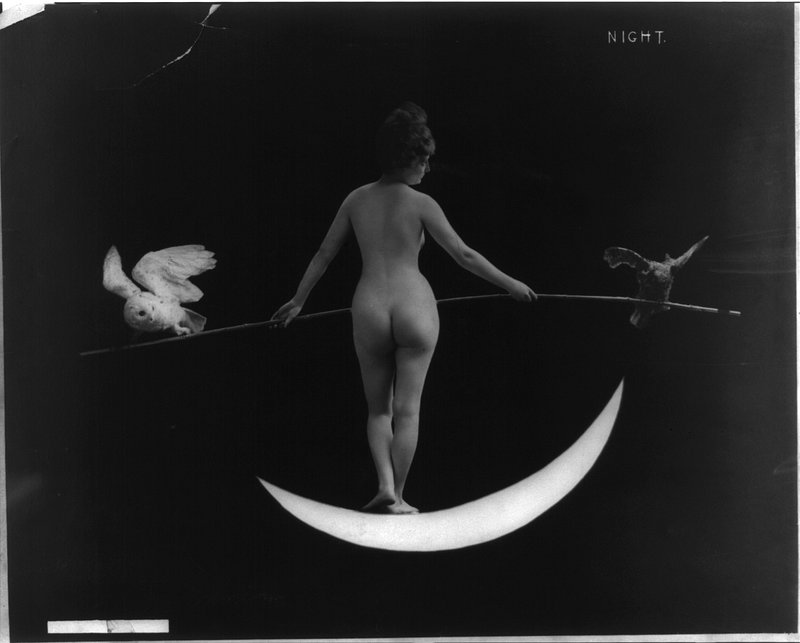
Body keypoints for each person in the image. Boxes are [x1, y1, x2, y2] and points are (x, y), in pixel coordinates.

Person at [272, 102, 536, 514]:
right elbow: (464, 255)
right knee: (407, 410)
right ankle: (399, 494)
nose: (427, 168)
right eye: (424, 160)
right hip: (414, 304)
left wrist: (299, 299)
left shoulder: (356, 199)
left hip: (369, 307)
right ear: (407, 159)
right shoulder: (422, 203)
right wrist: (511, 284)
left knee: (379, 410)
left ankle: (384, 485)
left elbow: (324, 253)